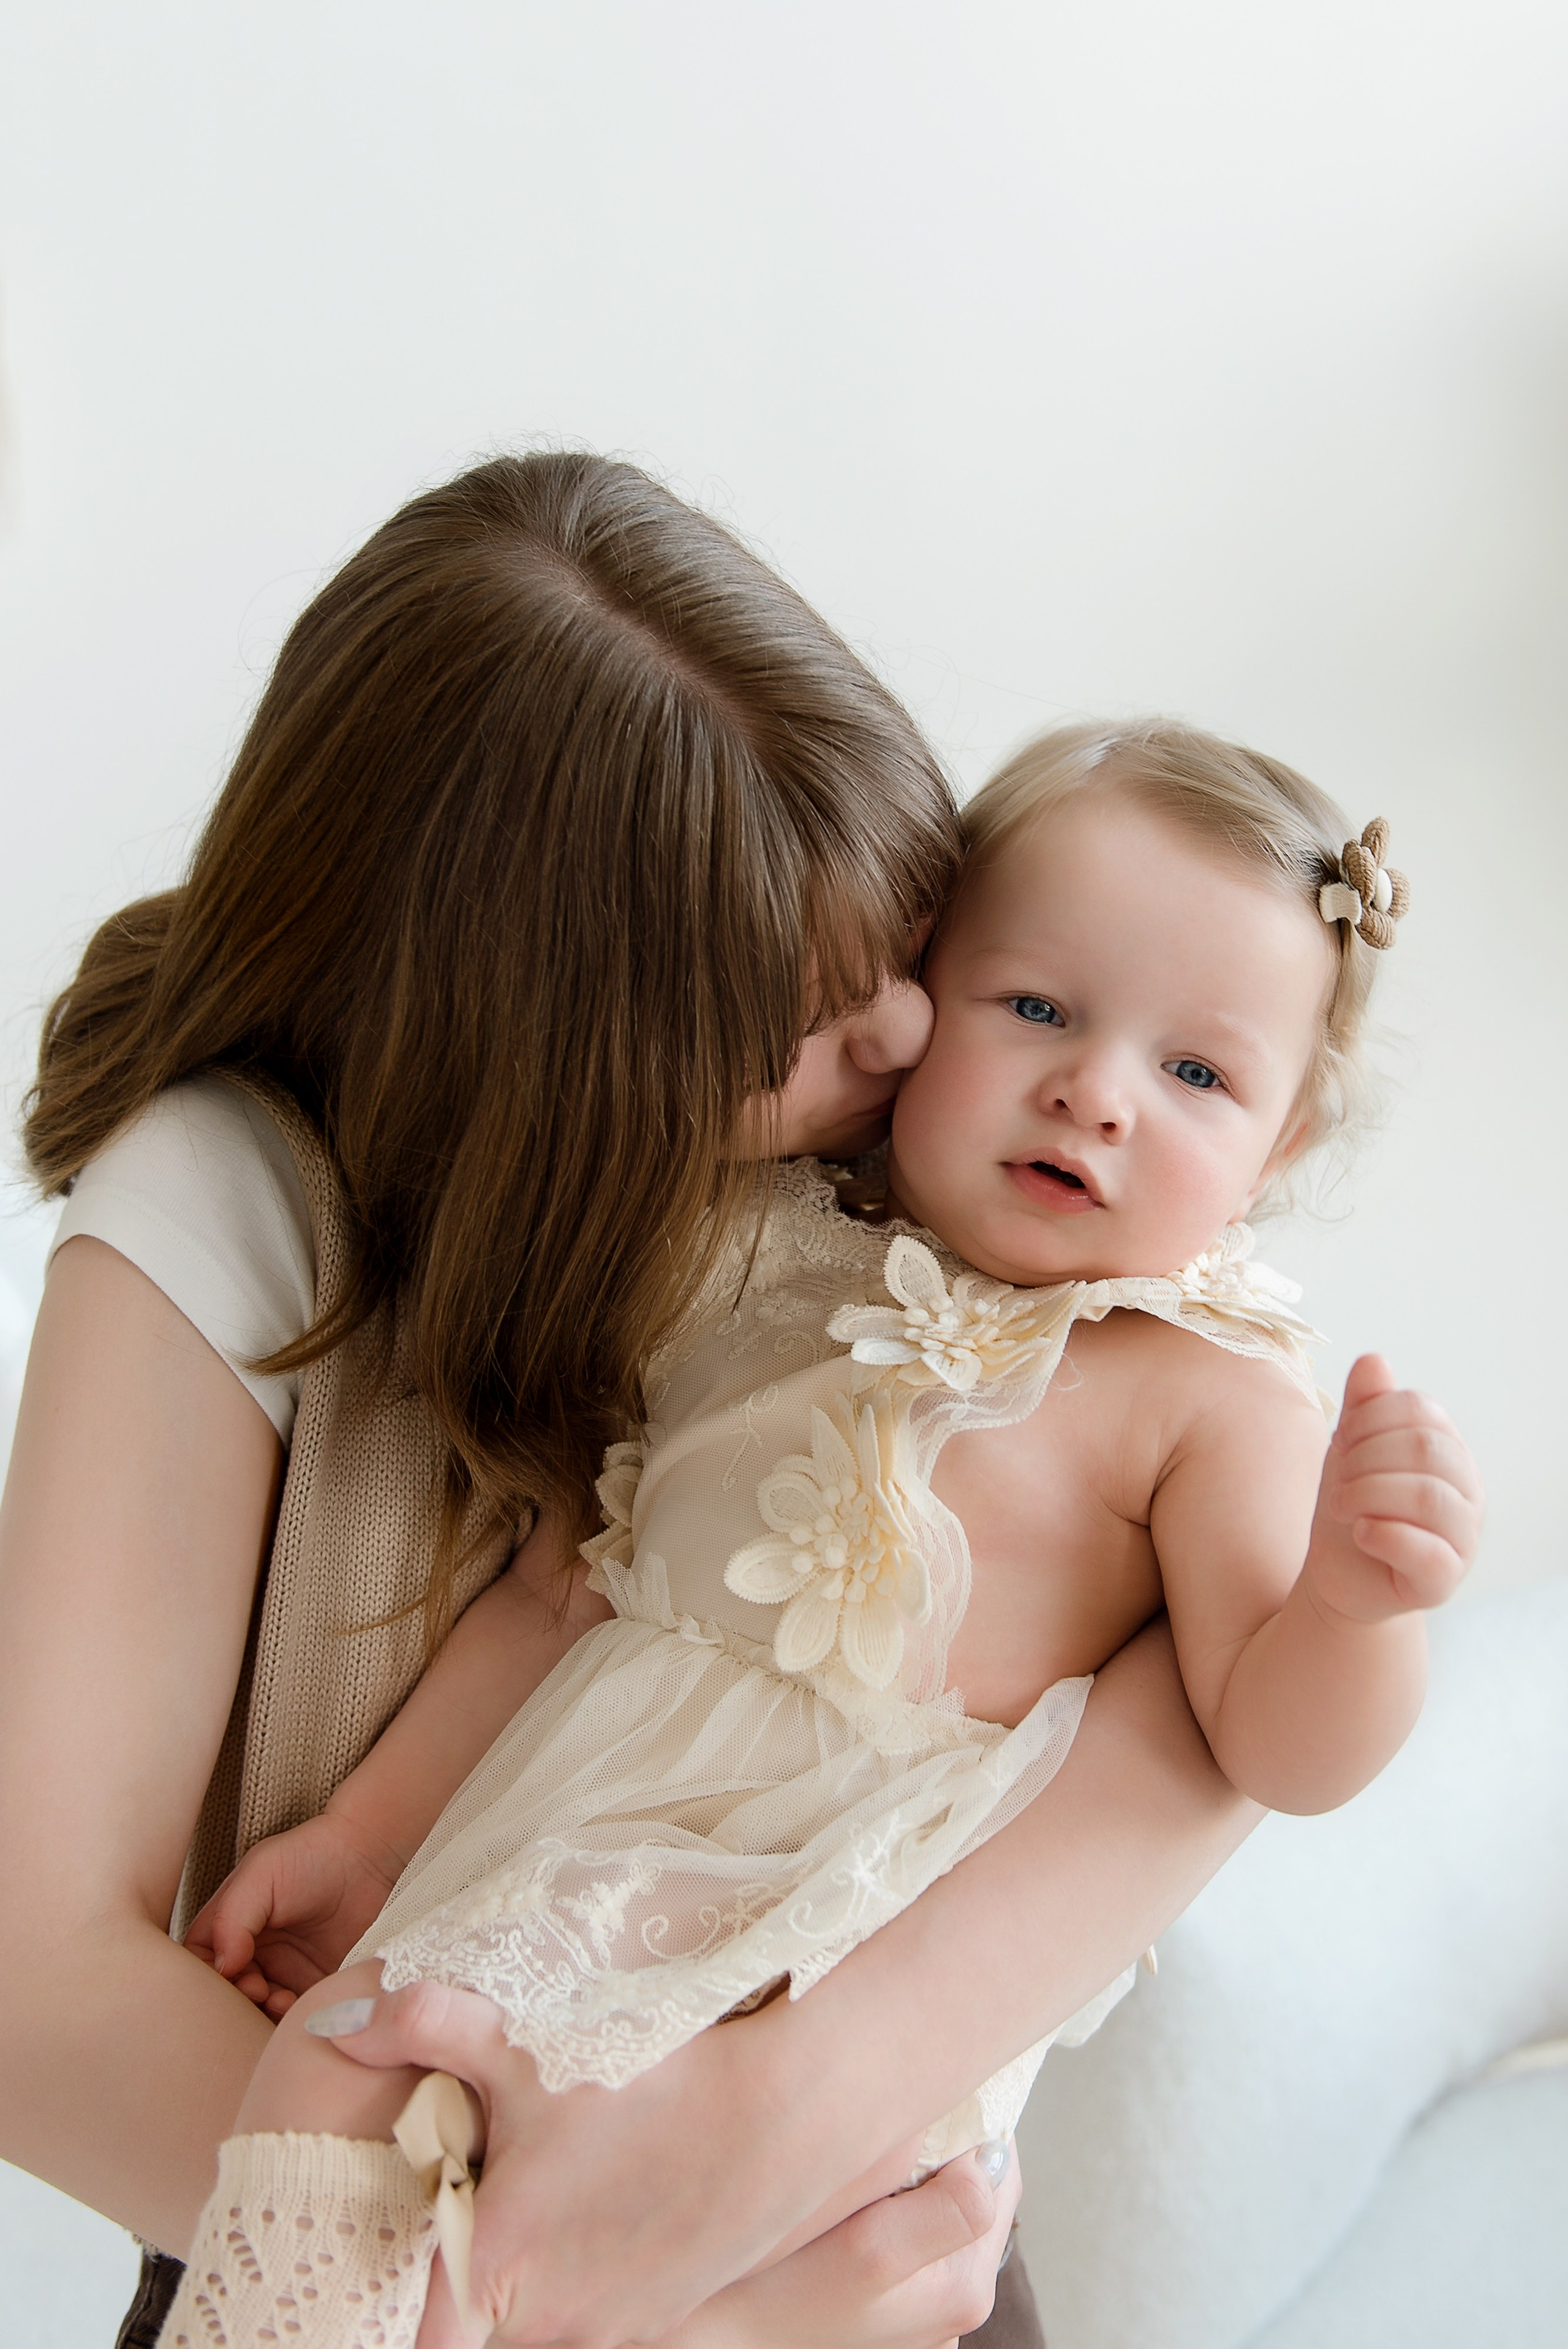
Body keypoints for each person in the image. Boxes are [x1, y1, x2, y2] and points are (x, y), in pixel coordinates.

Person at [0, 458, 1254, 2349]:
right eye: (817, 1015)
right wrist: (565, 2286)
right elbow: (33, 1988)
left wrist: (764, 2138)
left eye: (910, 955)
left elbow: (1212, 1704)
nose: (911, 1035)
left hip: (855, 2238)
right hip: (359, 2270)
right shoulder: (231, 1206)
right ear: (556, 1056)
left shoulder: (894, 1148)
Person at [156, 719, 1482, 2348]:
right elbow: (561, 1590)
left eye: (1196, 1072)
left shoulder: (1209, 1397)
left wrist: (1357, 1601)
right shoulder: (753, 1253)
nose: (1097, 1091)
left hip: (825, 1953)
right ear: (918, 1003)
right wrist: (366, 1836)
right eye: (1038, 1008)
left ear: (1277, 1152)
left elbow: (1269, 1741)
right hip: (567, 1875)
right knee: (342, 2071)